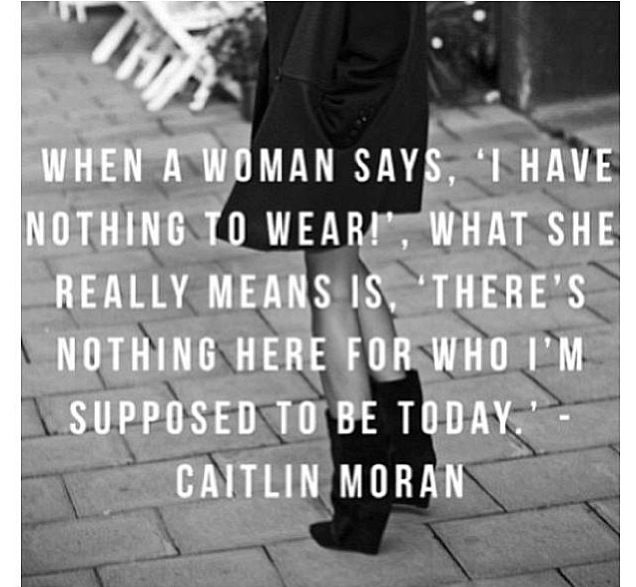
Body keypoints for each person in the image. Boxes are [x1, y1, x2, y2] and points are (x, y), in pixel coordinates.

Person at [217, 2, 436, 555]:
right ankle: (406, 461)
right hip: (338, 119)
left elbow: (379, 39)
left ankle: (362, 507)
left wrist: (335, 124)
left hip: (337, 127)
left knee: (330, 288)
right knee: (345, 273)